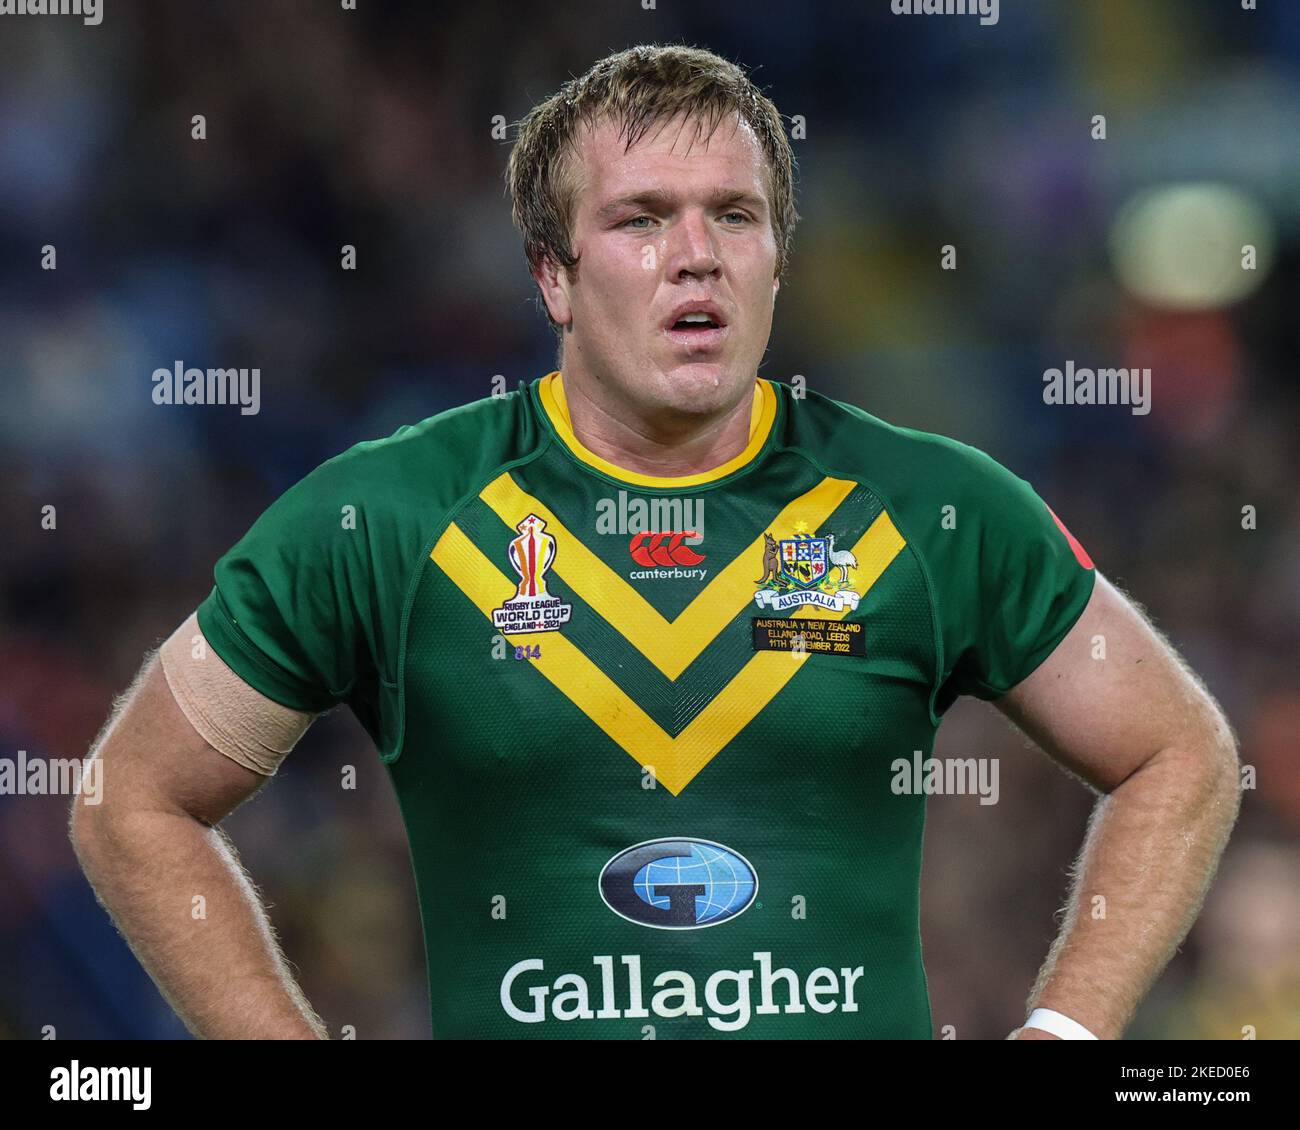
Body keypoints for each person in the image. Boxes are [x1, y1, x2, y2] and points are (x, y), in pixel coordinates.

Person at [70, 43, 1241, 1040]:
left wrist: (1061, 1030)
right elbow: (133, 797)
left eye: (734, 214)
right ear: (553, 276)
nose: (699, 253)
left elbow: (1175, 753)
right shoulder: (384, 517)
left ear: (776, 257)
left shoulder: (932, 506)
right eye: (640, 219)